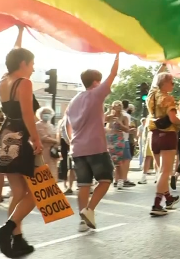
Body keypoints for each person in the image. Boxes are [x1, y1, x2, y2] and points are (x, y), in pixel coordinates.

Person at [0, 46, 42, 257]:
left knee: (18, 192)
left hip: (5, 138)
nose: (34, 68)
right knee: (37, 192)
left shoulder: (3, 81)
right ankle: (6, 230)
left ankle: (17, 240)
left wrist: (18, 37)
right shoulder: (25, 83)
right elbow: (28, 114)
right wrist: (36, 139)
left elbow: (13, 56)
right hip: (22, 138)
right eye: (32, 63)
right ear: (23, 64)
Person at [65, 54, 119, 231]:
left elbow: (67, 127)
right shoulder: (96, 94)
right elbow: (113, 74)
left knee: (83, 185)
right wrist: (118, 55)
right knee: (105, 179)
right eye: (100, 81)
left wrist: (72, 141)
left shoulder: (72, 102)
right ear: (96, 82)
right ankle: (89, 210)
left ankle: (82, 220)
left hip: (77, 148)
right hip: (95, 146)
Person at [147, 70, 180, 215]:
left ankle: (168, 198)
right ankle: (156, 205)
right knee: (165, 171)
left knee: (160, 170)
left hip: (154, 135)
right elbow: (173, 118)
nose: (173, 85)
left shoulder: (151, 96)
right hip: (167, 134)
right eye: (171, 82)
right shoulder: (167, 98)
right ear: (164, 83)